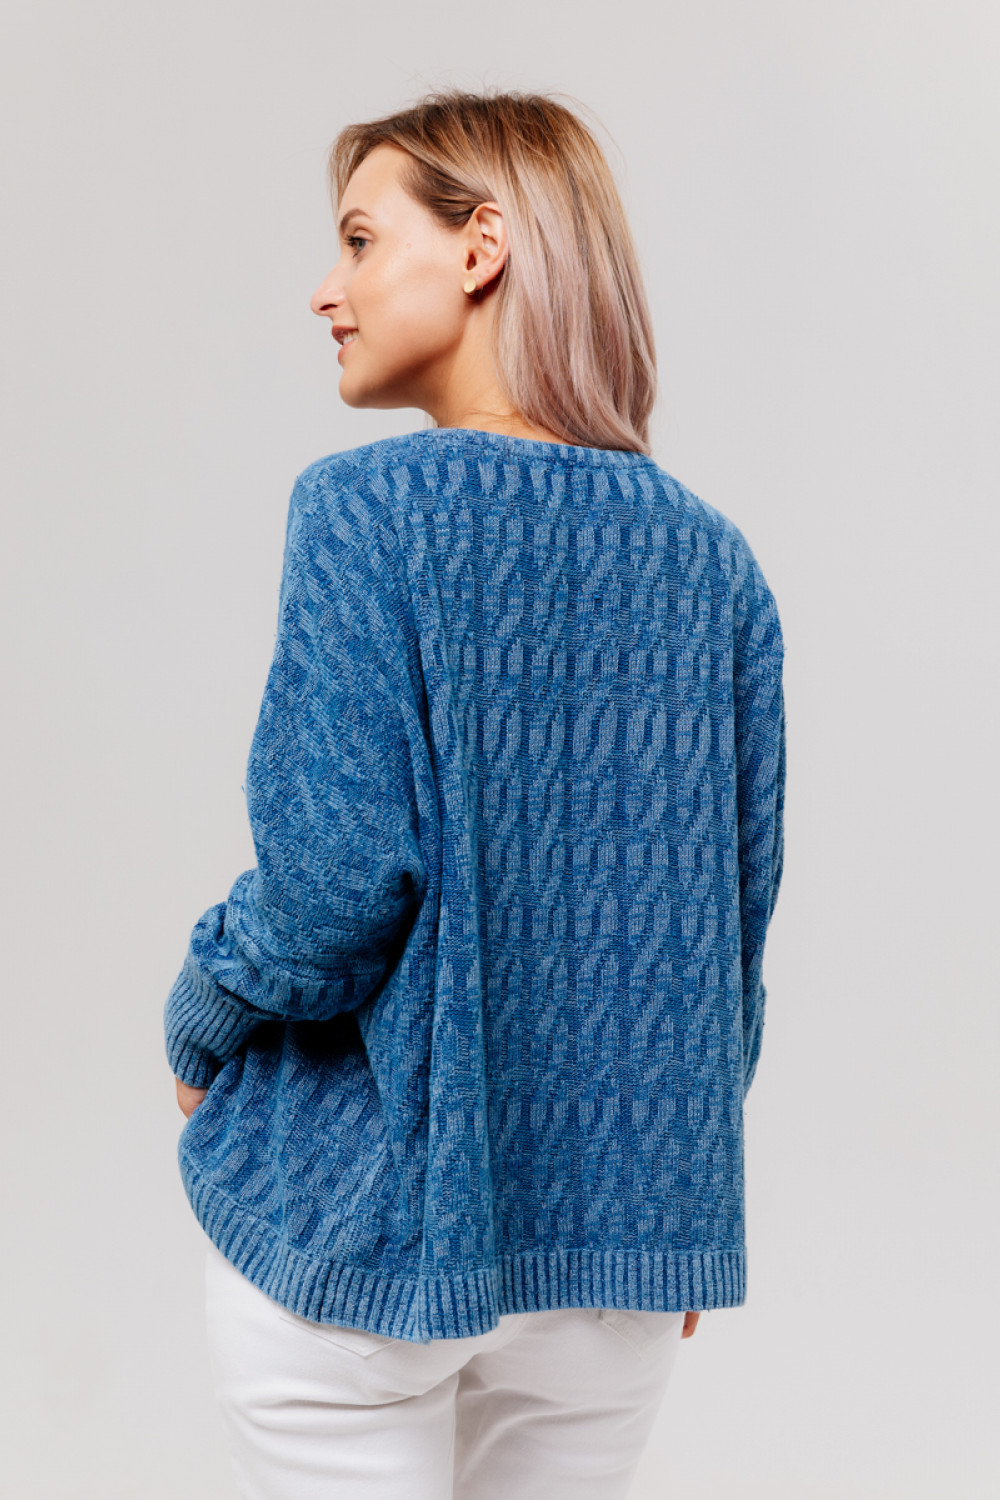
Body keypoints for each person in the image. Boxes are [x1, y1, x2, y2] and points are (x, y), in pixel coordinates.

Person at [165, 87, 786, 1500]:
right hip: (614, 1266)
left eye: (359, 239)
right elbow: (727, 941)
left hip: (372, 1244)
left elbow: (331, 892)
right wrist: (674, 1206)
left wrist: (201, 1008)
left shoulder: (365, 513)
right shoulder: (719, 566)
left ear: (481, 245)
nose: (326, 291)